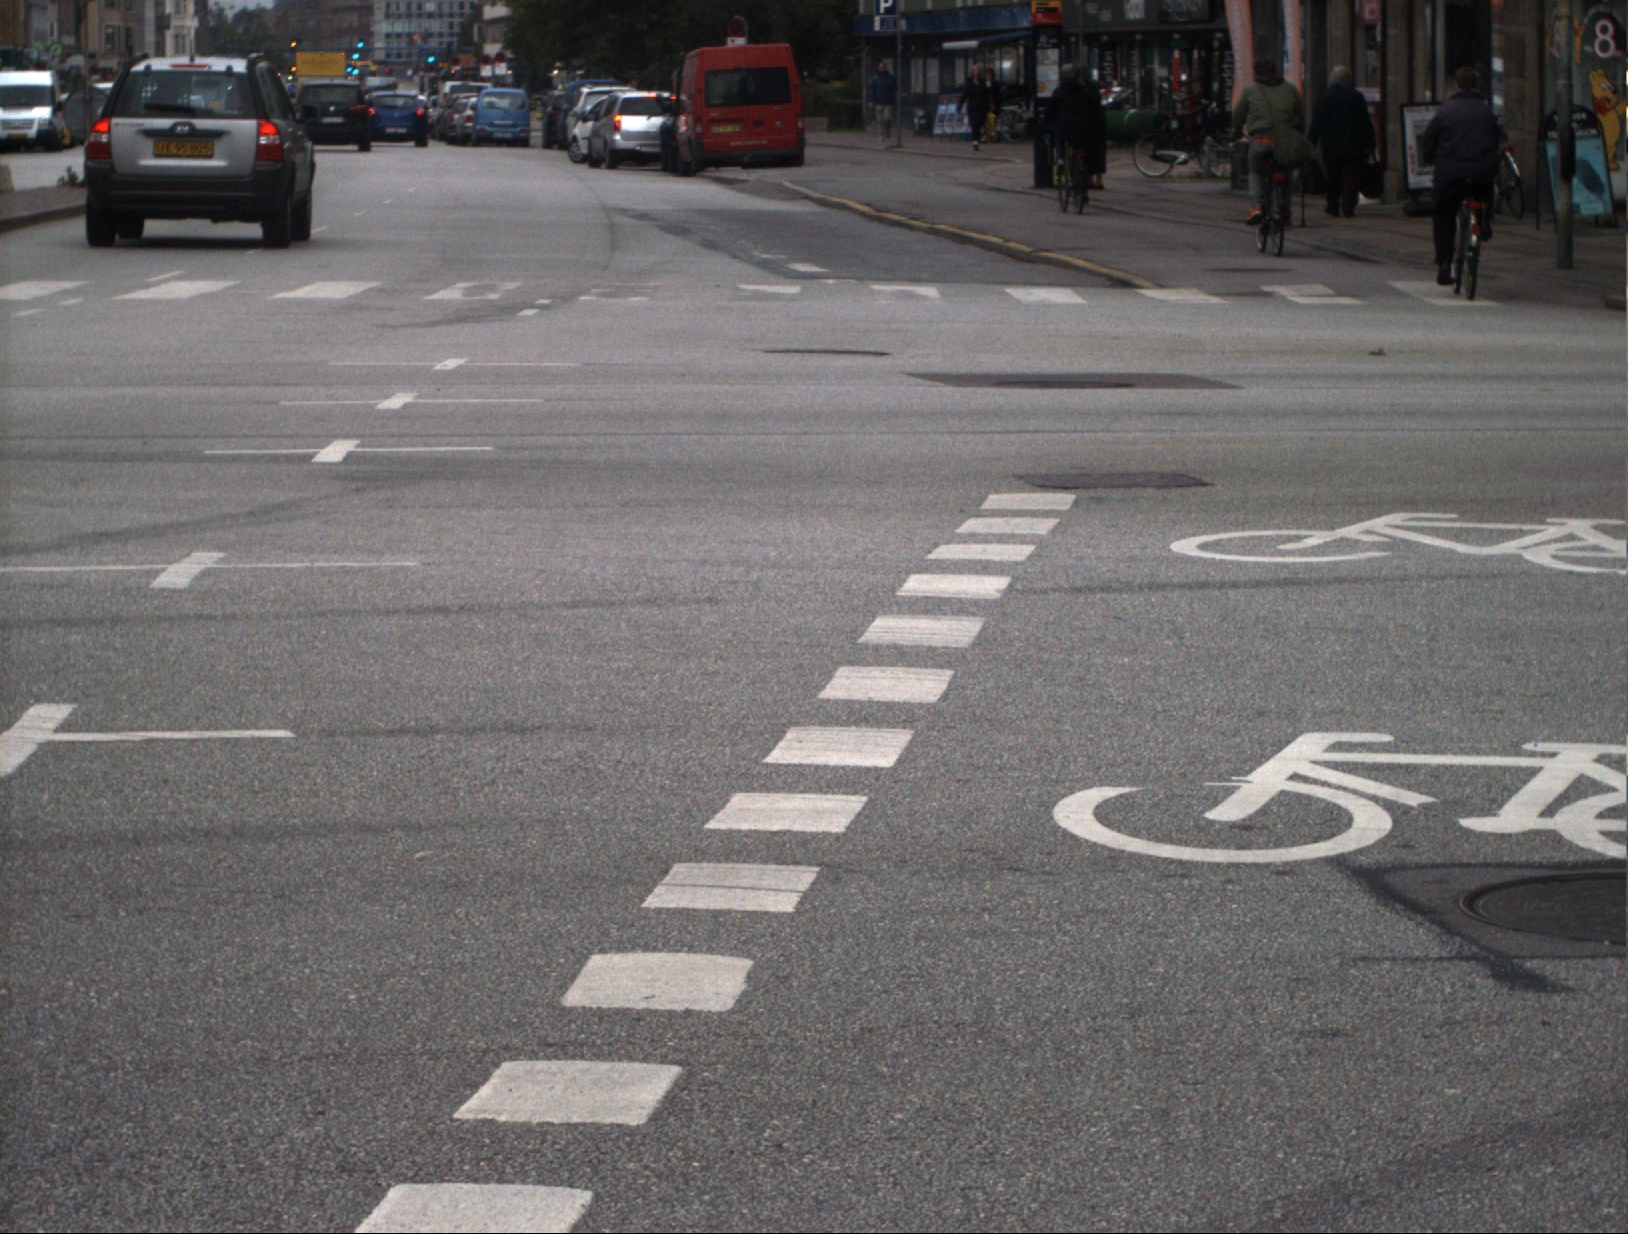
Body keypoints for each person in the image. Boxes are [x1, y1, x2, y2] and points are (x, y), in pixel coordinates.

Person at [1418, 66, 1503, 285]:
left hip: (1450, 174)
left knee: (1444, 214)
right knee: (1484, 190)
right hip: (1480, 172)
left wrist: (1428, 158)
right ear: (1477, 86)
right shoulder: (1486, 111)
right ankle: (1484, 221)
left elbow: (1428, 140)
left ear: (1456, 85)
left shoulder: (1445, 110)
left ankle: (1444, 264)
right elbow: (1498, 139)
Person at [1231, 55, 1305, 226]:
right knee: (1285, 173)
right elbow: (1300, 116)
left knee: (1255, 171)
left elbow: (1239, 115)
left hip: (1261, 141)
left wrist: (1235, 133)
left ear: (1256, 72)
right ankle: (1284, 213)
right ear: (1274, 70)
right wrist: (1298, 134)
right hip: (1283, 143)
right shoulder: (1290, 89)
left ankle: (1256, 207)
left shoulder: (1250, 90)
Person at [1307, 66, 1376, 217]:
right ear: (1348, 80)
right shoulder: (1356, 96)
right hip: (1354, 145)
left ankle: (1332, 206)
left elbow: (1317, 123)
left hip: (1331, 146)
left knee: (1333, 177)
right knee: (1351, 178)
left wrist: (1310, 143)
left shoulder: (1325, 97)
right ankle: (1348, 206)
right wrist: (1371, 144)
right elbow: (1365, 122)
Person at [1045, 64, 1107, 199]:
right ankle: (1084, 181)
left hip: (1064, 127)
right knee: (1082, 151)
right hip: (1081, 128)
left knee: (1060, 140)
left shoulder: (1059, 92)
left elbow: (1050, 111)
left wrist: (1047, 123)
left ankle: (1061, 159)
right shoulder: (1084, 92)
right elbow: (1095, 109)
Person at [868, 61, 898, 145]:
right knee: (879, 120)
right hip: (878, 102)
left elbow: (894, 88)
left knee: (887, 118)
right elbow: (872, 90)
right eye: (880, 67)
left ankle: (887, 132)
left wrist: (892, 97)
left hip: (888, 102)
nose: (881, 69)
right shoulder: (875, 79)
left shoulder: (890, 78)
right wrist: (872, 101)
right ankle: (881, 135)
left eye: (882, 67)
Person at [964, 68, 993, 151]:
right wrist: (960, 105)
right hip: (973, 107)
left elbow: (987, 94)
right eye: (975, 72)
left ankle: (978, 139)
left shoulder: (982, 83)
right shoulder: (969, 84)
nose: (976, 74)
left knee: (980, 124)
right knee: (974, 125)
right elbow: (965, 95)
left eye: (977, 72)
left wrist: (988, 105)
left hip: (981, 107)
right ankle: (975, 142)